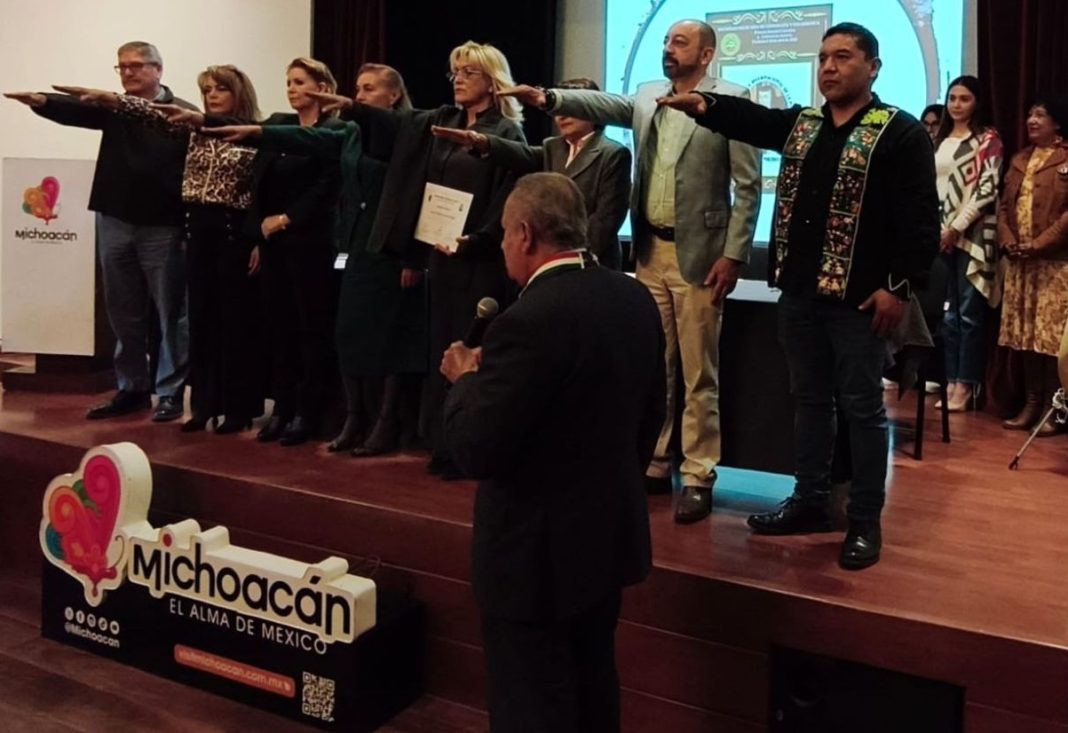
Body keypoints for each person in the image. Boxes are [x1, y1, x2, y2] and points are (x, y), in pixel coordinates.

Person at [660, 22, 939, 568]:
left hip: (861, 303)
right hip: (800, 295)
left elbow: (921, 222)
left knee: (862, 409)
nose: (829, 67)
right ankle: (809, 500)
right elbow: (754, 120)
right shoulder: (803, 125)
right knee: (809, 401)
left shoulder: (898, 132)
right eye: (823, 57)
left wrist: (898, 288)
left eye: (843, 57)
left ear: (873, 67)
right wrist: (705, 105)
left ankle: (864, 519)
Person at [500, 19, 761, 523]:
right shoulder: (647, 95)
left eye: (679, 42)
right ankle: (658, 460)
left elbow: (748, 187)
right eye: (666, 41)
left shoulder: (732, 99)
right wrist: (549, 98)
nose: (668, 48)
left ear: (707, 54)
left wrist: (733, 255)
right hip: (649, 250)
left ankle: (699, 473)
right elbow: (603, 105)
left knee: (699, 373)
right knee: (656, 365)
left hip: (701, 256)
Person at [440, 172, 665, 733]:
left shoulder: (527, 321)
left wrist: (467, 381)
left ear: (524, 233)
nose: (501, 246)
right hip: (606, 541)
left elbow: (476, 449)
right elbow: (651, 417)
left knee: (532, 704)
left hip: (533, 562)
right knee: (593, 688)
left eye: (502, 234)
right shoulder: (633, 297)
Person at [307, 41, 526, 478]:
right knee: (439, 350)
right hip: (439, 256)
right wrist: (356, 109)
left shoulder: (506, 132)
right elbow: (398, 125)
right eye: (455, 72)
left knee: (470, 349)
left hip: (477, 259)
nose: (458, 79)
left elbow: (506, 198)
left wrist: (477, 239)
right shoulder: (441, 121)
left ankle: (471, 446)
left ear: (492, 81)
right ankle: (444, 443)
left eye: (469, 72)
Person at [205, 63, 426, 456]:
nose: (359, 95)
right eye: (358, 88)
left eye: (369, 89)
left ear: (393, 95)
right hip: (354, 245)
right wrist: (257, 132)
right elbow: (310, 138)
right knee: (347, 334)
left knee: (388, 339)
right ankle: (354, 417)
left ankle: (385, 423)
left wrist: (413, 256)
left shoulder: (410, 131)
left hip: (389, 249)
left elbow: (414, 196)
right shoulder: (351, 131)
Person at [52, 65, 267, 434]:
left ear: (239, 93)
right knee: (200, 320)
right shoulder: (195, 128)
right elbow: (150, 115)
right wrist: (97, 101)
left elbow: (263, 191)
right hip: (197, 233)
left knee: (230, 322)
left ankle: (235, 407)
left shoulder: (256, 132)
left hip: (234, 234)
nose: (212, 96)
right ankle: (203, 406)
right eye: (207, 90)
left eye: (221, 89)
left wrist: (257, 239)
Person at [5, 41, 193, 422]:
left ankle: (170, 392)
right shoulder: (113, 109)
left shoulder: (180, 112)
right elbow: (79, 111)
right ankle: (132, 388)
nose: (128, 72)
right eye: (122, 66)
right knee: (123, 312)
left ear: (158, 69)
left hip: (162, 225)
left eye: (136, 65)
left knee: (171, 312)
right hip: (115, 221)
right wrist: (42, 102)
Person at [431, 78, 631, 270]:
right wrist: (481, 141)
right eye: (558, 111)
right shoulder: (553, 147)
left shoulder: (613, 153)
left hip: (591, 262)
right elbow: (520, 153)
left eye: (570, 109)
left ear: (592, 110)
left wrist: (571, 259)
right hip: (552, 261)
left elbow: (605, 221)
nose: (561, 116)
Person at [248, 57, 345, 447]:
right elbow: (259, 180)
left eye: (300, 81)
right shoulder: (280, 125)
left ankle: (309, 411)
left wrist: (287, 218)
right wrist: (259, 231)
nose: (291, 88)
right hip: (273, 243)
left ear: (322, 87)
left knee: (311, 328)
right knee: (279, 327)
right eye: (288, 81)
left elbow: (329, 186)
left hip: (312, 243)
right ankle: (282, 408)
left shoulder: (336, 130)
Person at [997, 95, 1068, 437]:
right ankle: (1031, 402)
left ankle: (1054, 408)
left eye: (1041, 115)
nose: (1032, 120)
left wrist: (1038, 245)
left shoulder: (1066, 158)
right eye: (1030, 114)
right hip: (1021, 263)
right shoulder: (1019, 159)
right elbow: (1003, 208)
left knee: (1050, 338)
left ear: (1057, 122)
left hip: (1054, 264)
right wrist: (1008, 240)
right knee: (1026, 335)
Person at [932, 75, 1003, 411]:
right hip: (940, 234)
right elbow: (931, 187)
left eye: (964, 99)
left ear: (977, 103)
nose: (956, 105)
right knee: (948, 317)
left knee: (969, 315)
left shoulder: (987, 139)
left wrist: (956, 227)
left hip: (972, 237)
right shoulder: (940, 140)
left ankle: (966, 384)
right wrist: (939, 228)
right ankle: (950, 380)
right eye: (952, 98)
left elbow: (986, 189)